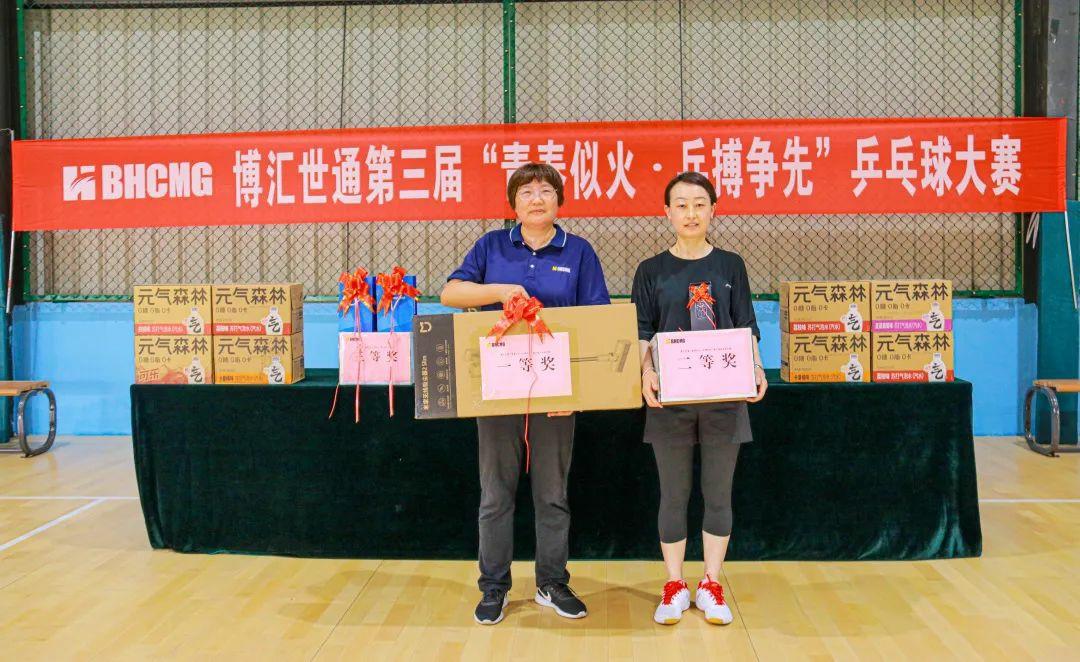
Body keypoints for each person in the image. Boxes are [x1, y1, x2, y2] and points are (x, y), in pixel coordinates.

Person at [441, 162, 610, 625]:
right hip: (498, 387)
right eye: (527, 192)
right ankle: (494, 587)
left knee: (552, 494)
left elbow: (597, 318)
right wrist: (500, 290)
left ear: (559, 201)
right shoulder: (491, 246)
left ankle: (552, 582)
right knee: (495, 493)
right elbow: (451, 293)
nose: (537, 199)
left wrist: (577, 393)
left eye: (546, 191)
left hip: (557, 389)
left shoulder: (578, 251)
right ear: (513, 204)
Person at [631, 171, 768, 626]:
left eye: (699, 204)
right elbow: (642, 331)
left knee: (718, 492)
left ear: (713, 210)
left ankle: (710, 583)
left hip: (724, 398)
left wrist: (756, 368)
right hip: (671, 399)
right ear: (666, 213)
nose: (690, 213)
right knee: (673, 494)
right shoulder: (651, 270)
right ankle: (674, 585)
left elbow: (746, 324)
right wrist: (646, 373)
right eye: (681, 205)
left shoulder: (730, 265)